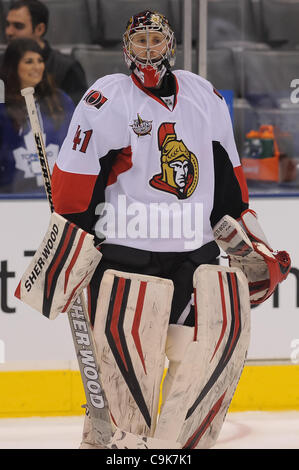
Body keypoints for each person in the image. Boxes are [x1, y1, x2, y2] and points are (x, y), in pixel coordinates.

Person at [47, 10, 290, 449]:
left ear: (170, 45)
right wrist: (69, 255)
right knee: (124, 399)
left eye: (154, 40)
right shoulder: (105, 98)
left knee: (206, 364)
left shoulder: (205, 96)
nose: (146, 49)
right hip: (124, 264)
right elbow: (74, 191)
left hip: (193, 262)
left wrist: (250, 246)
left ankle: (174, 452)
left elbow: (228, 190)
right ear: (126, 47)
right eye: (138, 40)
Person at [0, 37, 75, 193]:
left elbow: (73, 144)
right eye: (29, 61)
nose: (37, 66)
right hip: (10, 198)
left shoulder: (60, 100)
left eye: (40, 60)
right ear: (13, 66)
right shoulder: (2, 106)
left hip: (57, 196)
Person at [5, 0, 87, 104]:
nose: (9, 32)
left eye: (18, 26)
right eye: (7, 24)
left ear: (39, 29)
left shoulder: (67, 68)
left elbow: (78, 114)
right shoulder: (2, 62)